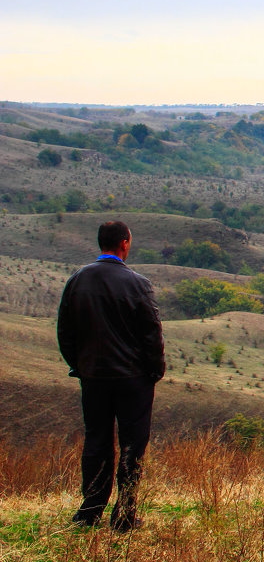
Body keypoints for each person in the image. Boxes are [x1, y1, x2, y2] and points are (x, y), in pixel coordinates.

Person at [58, 221, 165, 531]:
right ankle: (125, 513)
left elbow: (65, 331)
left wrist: (80, 365)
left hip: (94, 377)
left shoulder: (78, 280)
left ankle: (90, 510)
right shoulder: (137, 284)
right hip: (133, 379)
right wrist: (155, 370)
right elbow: (151, 334)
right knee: (133, 446)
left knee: (97, 441)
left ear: (101, 243)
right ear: (125, 244)